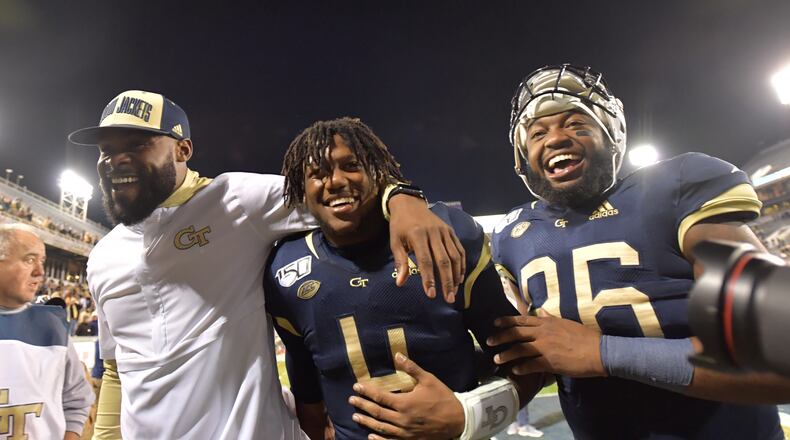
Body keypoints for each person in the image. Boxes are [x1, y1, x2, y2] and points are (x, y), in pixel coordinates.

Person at [67, 90, 465, 439]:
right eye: (107, 150)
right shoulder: (102, 257)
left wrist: (403, 197)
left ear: (182, 150)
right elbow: (118, 370)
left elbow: (339, 194)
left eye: (136, 146)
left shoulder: (235, 201)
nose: (116, 159)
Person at [483, 64, 790, 439]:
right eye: (537, 133)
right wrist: (464, 414)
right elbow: (528, 360)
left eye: (578, 124)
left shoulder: (673, 188)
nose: (556, 138)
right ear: (521, 155)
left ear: (612, 134)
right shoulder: (513, 236)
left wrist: (602, 353)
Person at [265, 117, 545, 440]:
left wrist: (466, 415)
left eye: (351, 165)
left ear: (378, 172)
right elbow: (308, 393)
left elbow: (523, 362)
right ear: (303, 188)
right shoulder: (285, 269)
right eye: (318, 173)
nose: (336, 180)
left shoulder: (445, 234)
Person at [0, 223, 95, 439]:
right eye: (29, 260)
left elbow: (77, 402)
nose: (40, 272)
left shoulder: (53, 328)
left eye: (42, 262)